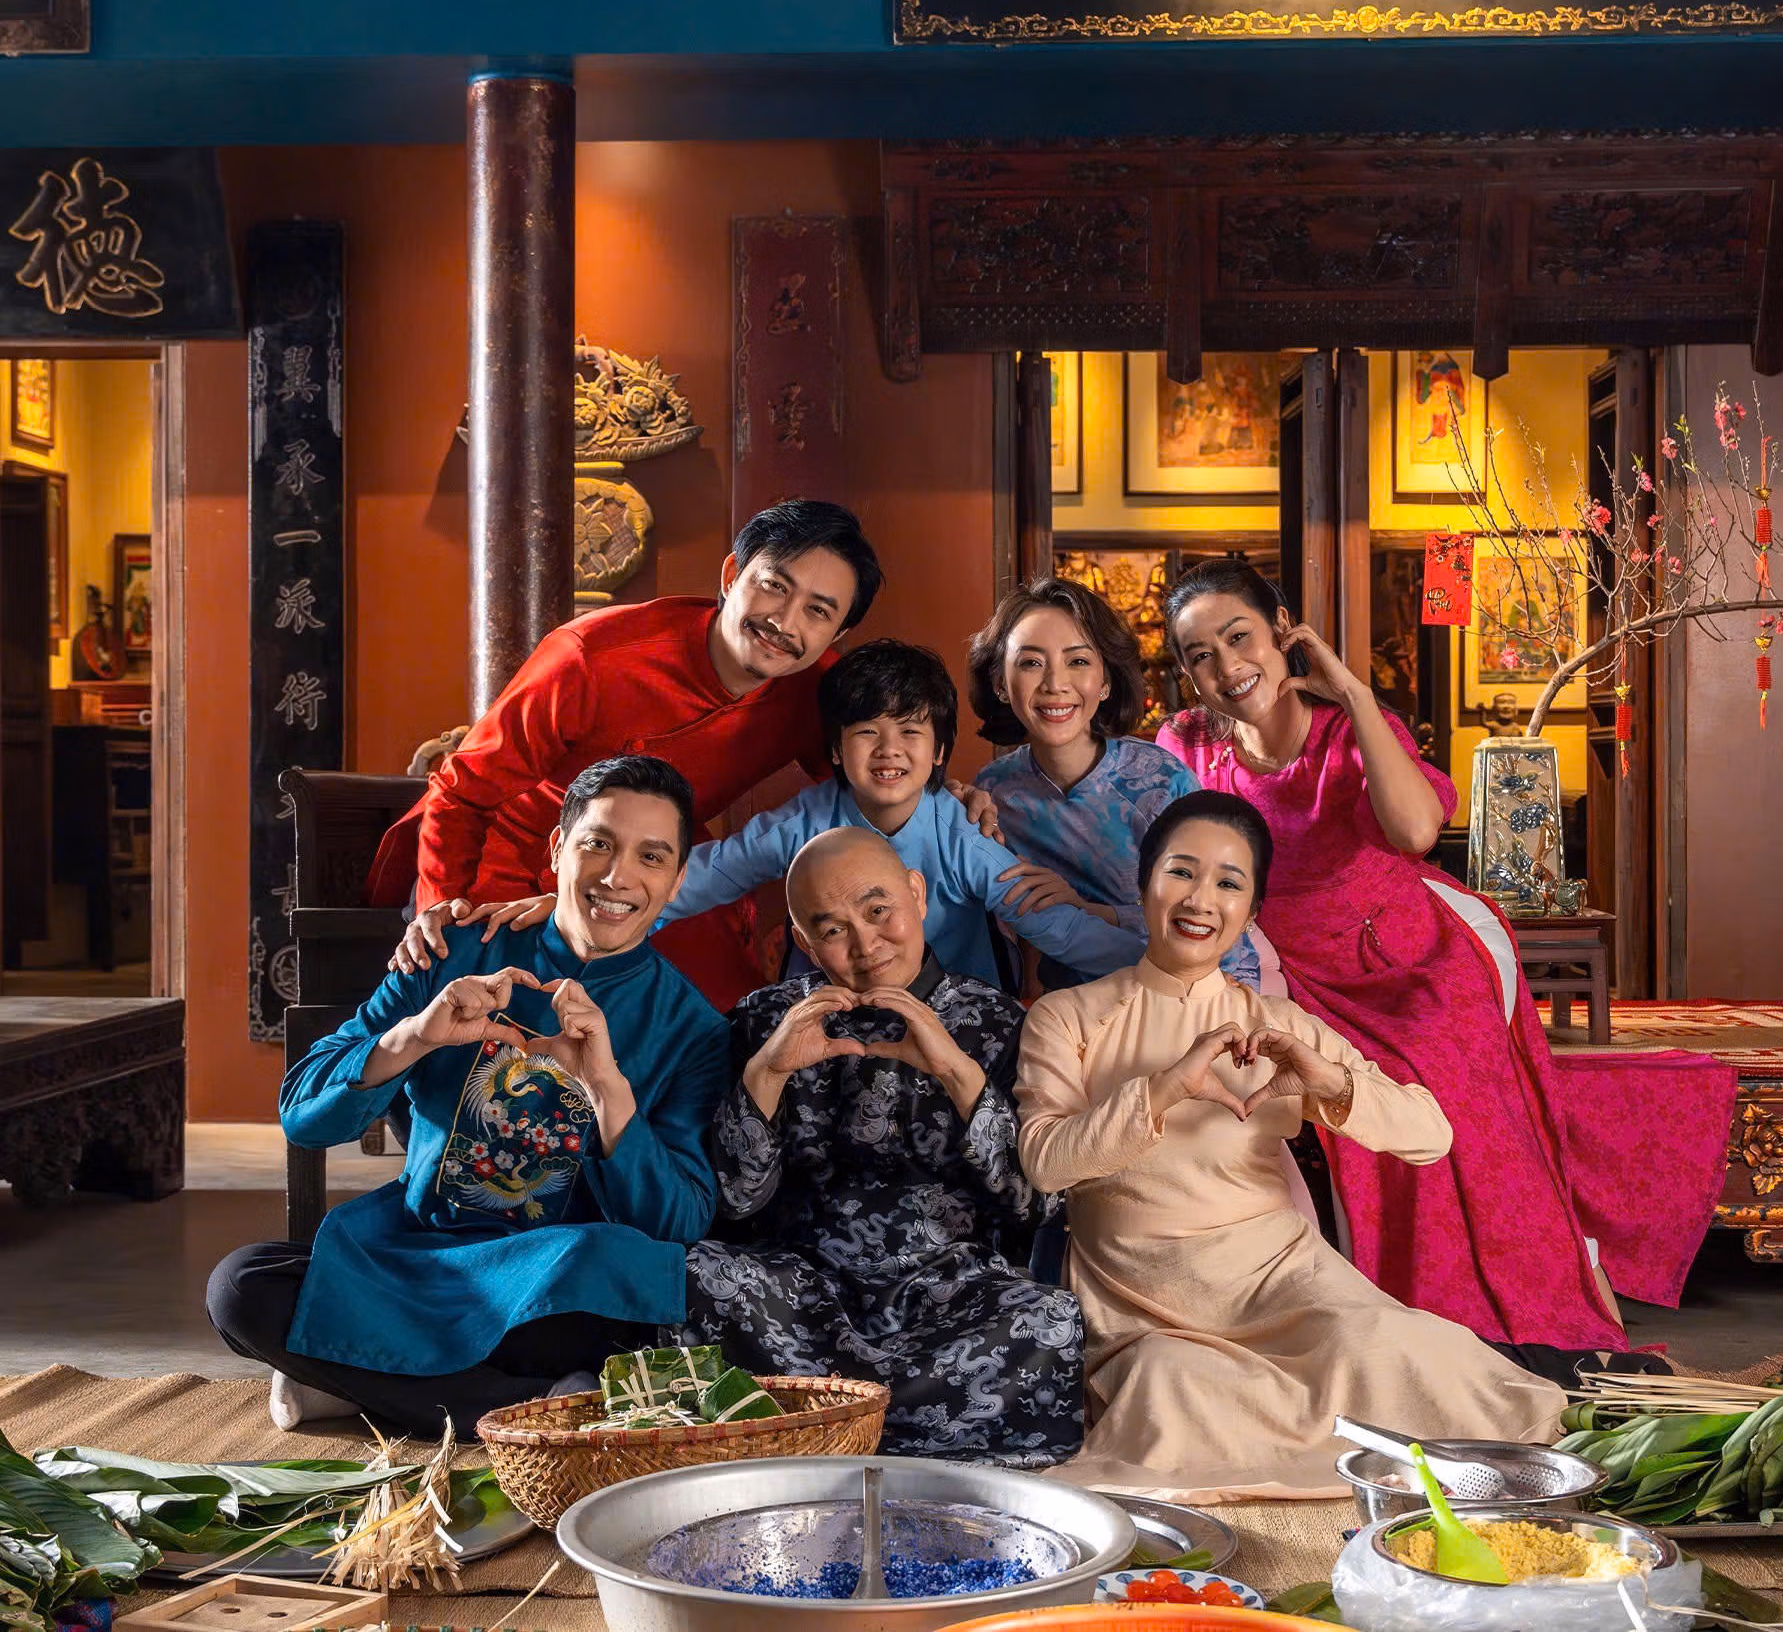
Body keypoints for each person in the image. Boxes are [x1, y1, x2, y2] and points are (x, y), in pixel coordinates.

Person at [1015, 791, 1566, 1502]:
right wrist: (1164, 1088)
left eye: (1229, 883)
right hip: (1139, 1292)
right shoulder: (1067, 1016)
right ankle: (1335, 1452)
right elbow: (1045, 1161)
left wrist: (1328, 1081)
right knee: (1171, 1386)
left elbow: (1431, 1136)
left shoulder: (1276, 1025)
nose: (1200, 899)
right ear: (1144, 883)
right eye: (1181, 872)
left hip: (1279, 1275)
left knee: (1386, 1344)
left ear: (1252, 912)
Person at [1156, 558, 1625, 1362]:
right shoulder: (1186, 743)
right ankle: (1385, 1323)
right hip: (1285, 967)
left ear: (1283, 632)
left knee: (1433, 1079)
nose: (1227, 667)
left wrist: (1353, 693)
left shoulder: (1347, 728)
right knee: (1336, 1082)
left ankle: (1493, 1315)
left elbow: (1414, 833)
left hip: (1405, 956)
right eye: (1201, 655)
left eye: (1240, 638)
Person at [206, 755, 728, 1441]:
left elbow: (681, 1219)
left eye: (651, 857)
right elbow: (303, 1116)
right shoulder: (449, 951)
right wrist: (415, 1037)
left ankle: (354, 1378)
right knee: (240, 1288)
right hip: (420, 1255)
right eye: (598, 843)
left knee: (622, 1279)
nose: (617, 876)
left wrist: (606, 1088)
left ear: (678, 878)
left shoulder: (694, 1028)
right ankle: (541, 1408)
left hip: (557, 1282)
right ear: (557, 849)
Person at [674, 825, 1084, 1468]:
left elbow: (1036, 1205)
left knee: (1048, 1316)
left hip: (952, 1294)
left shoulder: (1000, 1021)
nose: (866, 945)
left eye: (877, 910)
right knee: (697, 1275)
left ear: (916, 894)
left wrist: (959, 1075)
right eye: (833, 929)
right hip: (798, 1290)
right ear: (804, 942)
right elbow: (732, 1202)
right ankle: (895, 1437)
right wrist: (767, 1074)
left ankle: (813, 1432)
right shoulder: (762, 1020)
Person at [369, 499, 883, 1005]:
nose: (785, 622)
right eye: (774, 586)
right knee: (509, 1006)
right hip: (516, 844)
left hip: (655, 861)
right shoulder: (592, 655)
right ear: (732, 575)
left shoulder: (817, 691)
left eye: (817, 611)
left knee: (720, 1012)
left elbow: (872, 783)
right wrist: (441, 909)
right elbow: (464, 790)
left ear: (836, 634)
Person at [659, 639, 1145, 989]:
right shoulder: (803, 824)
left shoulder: (962, 833)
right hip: (834, 1010)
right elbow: (709, 875)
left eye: (910, 732)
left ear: (939, 751)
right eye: (867, 732)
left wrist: (1165, 968)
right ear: (836, 749)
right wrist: (619, 906)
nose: (888, 750)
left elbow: (1059, 927)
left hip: (962, 1014)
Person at [968, 578, 1264, 992]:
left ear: (1105, 682)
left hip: (1196, 989)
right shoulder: (994, 791)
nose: (1055, 684)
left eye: (1078, 661)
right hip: (1070, 1010)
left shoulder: (1161, 783)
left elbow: (1214, 922)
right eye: (1031, 663)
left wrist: (1089, 909)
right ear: (1001, 683)